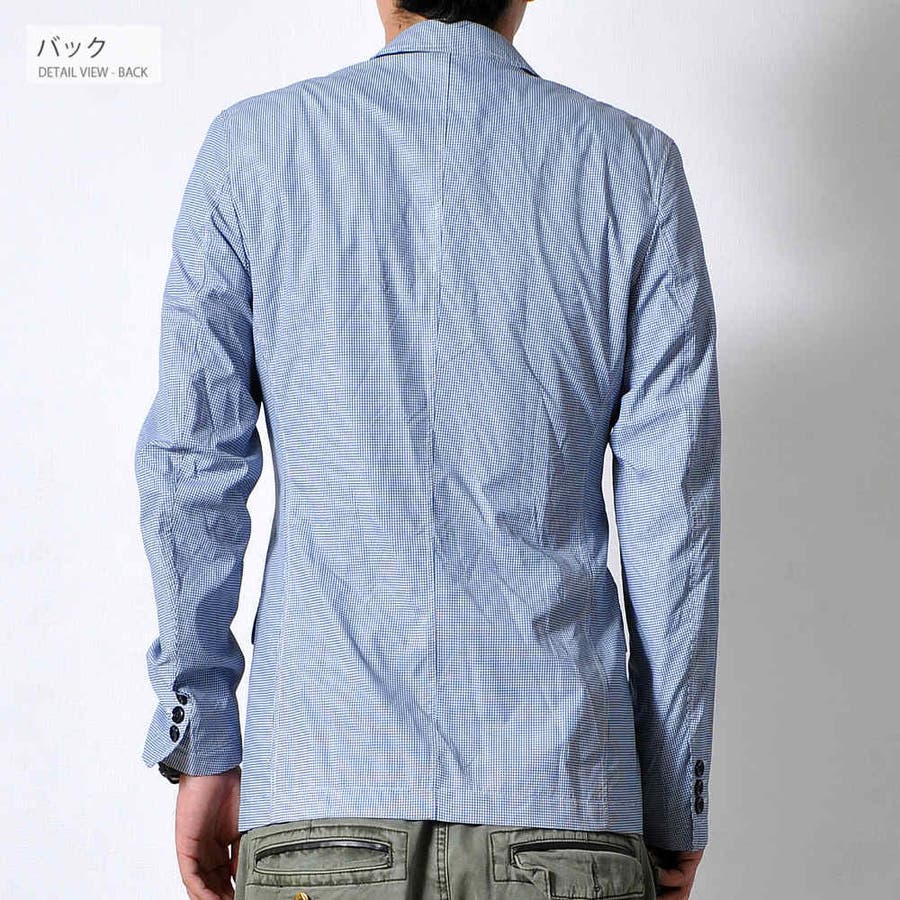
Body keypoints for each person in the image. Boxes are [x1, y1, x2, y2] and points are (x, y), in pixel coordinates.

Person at [134, 1, 721, 897]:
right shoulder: (632, 166)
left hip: (320, 795)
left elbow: (190, 469)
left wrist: (203, 738)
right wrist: (675, 800)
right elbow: (674, 515)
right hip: (565, 801)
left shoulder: (252, 149)